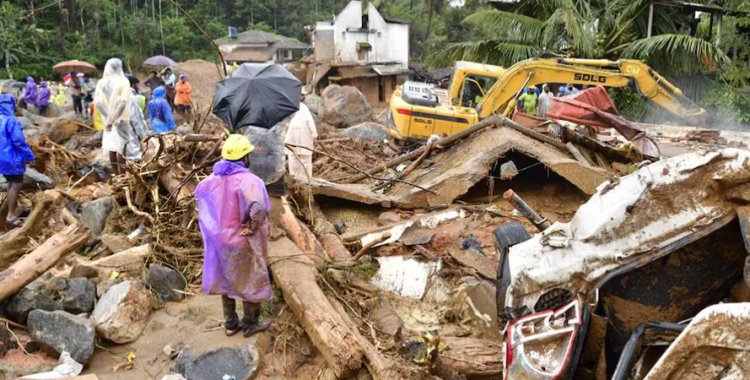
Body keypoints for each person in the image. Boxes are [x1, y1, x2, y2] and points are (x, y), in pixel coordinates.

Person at [195, 134, 273, 337]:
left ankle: (230, 324)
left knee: (225, 279)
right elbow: (258, 209)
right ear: (245, 157)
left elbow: (202, 204)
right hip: (242, 241)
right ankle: (250, 323)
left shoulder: (210, 181)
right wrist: (252, 227)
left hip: (220, 241)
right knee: (251, 278)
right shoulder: (249, 181)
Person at [0, 94, 35, 228]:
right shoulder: (11, 120)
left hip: (1, 158)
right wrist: (29, 155)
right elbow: (18, 140)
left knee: (10, 183)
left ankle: (13, 210)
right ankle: (11, 215)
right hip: (12, 157)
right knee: (16, 184)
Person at [94, 58, 133, 175]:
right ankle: (123, 174)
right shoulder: (123, 81)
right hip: (121, 118)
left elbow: (98, 103)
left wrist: (108, 118)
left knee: (112, 147)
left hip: (107, 120)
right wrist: (115, 118)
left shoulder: (101, 83)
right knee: (122, 146)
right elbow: (123, 102)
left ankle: (116, 174)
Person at [284, 102, 317, 180]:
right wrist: (314, 134)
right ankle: (306, 180)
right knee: (305, 159)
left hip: (291, 135)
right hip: (303, 134)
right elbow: (309, 121)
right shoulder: (303, 106)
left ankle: (294, 179)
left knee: (292, 158)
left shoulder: (286, 105)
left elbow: (284, 122)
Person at [125, 76, 148, 161]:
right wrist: (143, 136)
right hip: (132, 134)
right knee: (135, 158)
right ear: (133, 85)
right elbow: (137, 120)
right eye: (137, 85)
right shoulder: (132, 98)